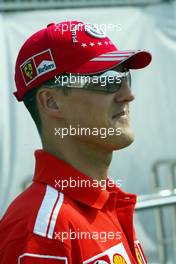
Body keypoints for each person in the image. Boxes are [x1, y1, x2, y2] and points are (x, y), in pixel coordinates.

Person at [0, 20, 152, 264]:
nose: (128, 94)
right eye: (106, 79)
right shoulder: (41, 233)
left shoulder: (108, 200)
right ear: (51, 102)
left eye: (125, 75)